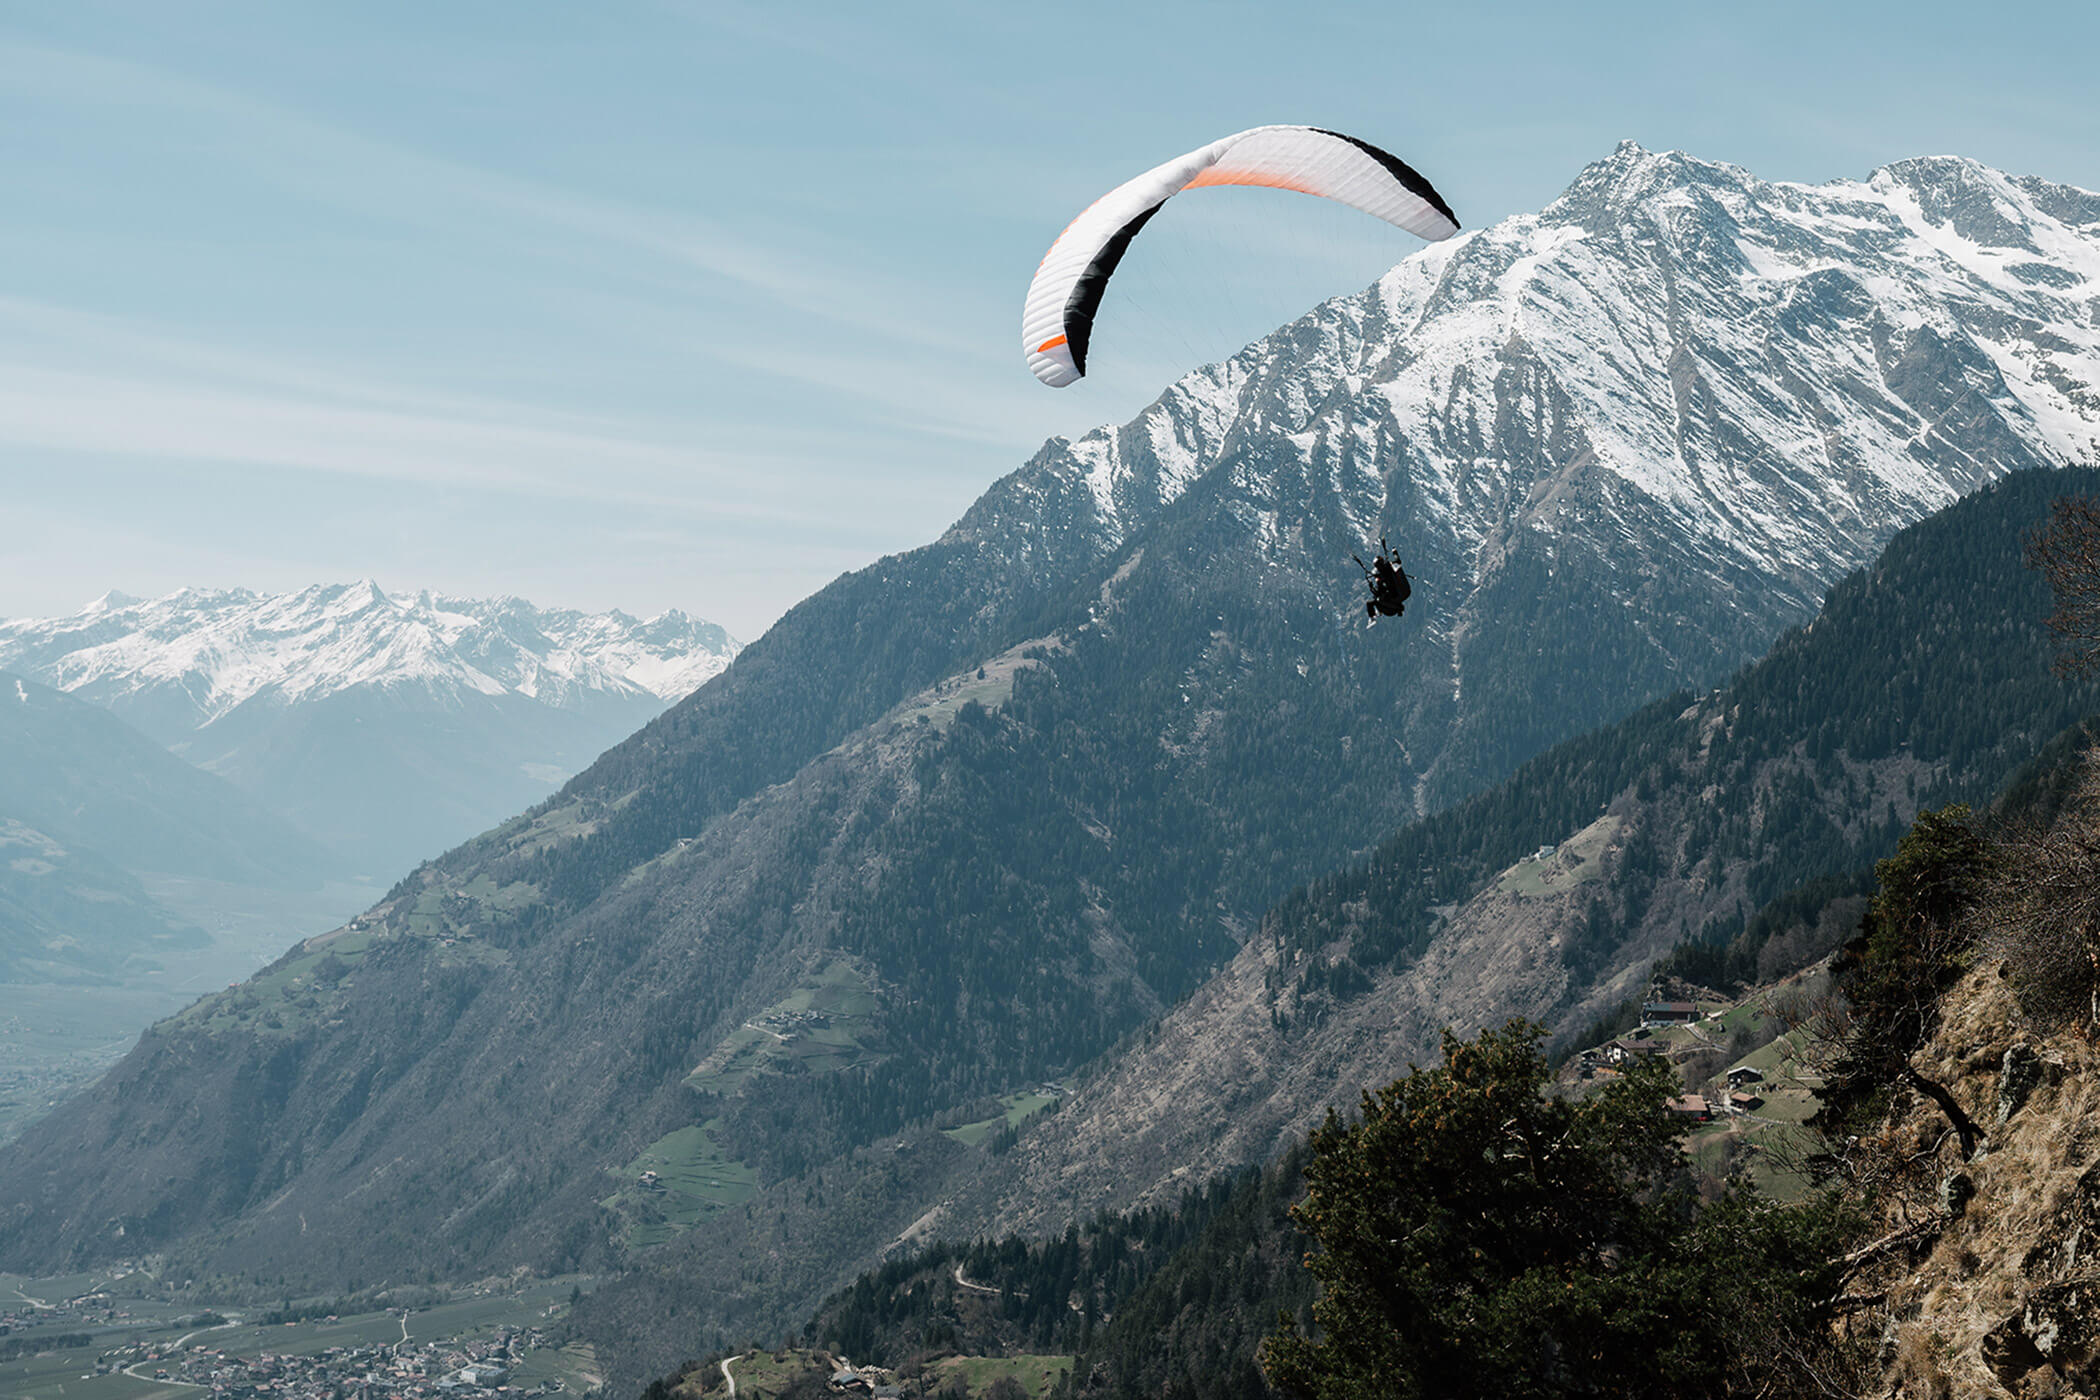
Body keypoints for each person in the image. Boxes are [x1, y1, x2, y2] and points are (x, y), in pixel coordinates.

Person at [1354, 536, 1411, 620]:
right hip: (1401, 594)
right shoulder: (1389, 568)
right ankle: (1374, 616)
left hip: (1396, 596)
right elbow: (1398, 561)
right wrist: (1395, 552)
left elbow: (1380, 590)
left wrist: (1375, 583)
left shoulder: (1384, 573)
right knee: (1373, 602)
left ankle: (1397, 609)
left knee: (1377, 600)